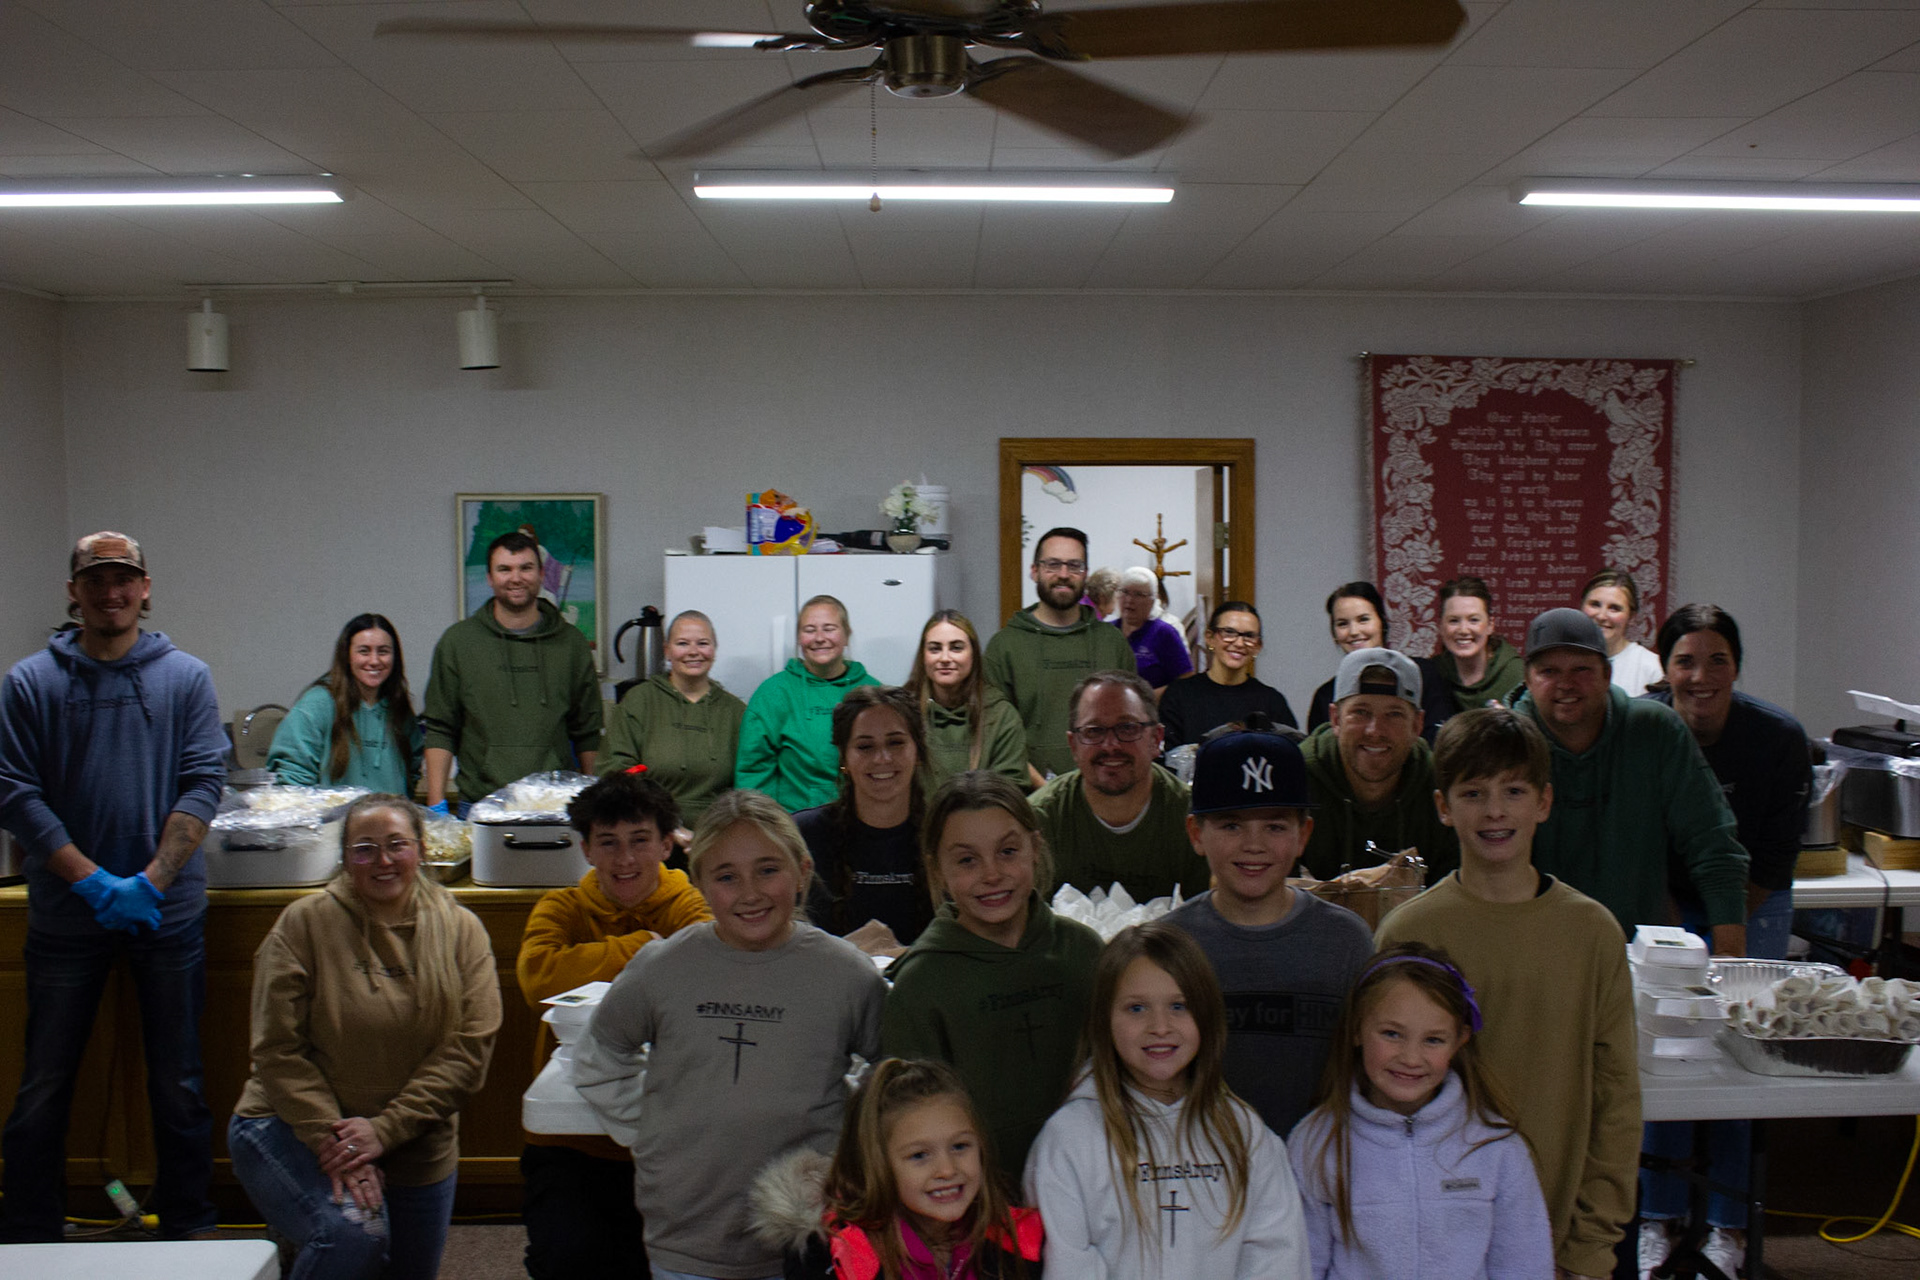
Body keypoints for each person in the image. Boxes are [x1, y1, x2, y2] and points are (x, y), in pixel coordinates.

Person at [0, 531, 228, 1243]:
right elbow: (15, 792)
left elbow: (204, 781)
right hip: (67, 920)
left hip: (168, 915)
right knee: (45, 1082)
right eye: (95, 579)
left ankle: (187, 1227)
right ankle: (29, 1230)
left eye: (123, 578)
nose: (111, 592)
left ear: (146, 587)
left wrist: (151, 882)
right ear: (74, 591)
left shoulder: (186, 678)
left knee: (179, 1083)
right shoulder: (29, 683)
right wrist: (95, 881)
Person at [570, 789, 887, 1280]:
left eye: (768, 870)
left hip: (811, 1238)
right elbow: (599, 1057)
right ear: (698, 882)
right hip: (687, 1236)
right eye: (726, 876)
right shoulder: (662, 968)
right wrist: (656, 1131)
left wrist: (848, 1144)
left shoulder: (848, 975)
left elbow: (891, 1080)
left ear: (802, 872)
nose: (749, 893)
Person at [1376, 707, 1638, 1280]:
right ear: (1444, 807)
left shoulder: (1593, 933)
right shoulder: (1409, 933)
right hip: (1434, 1233)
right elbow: (1382, 1096)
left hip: (1557, 1228)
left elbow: (1616, 1101)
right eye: (1473, 793)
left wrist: (1591, 1247)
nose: (1495, 811)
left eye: (1513, 791)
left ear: (1544, 802)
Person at [228, 793, 503, 1280]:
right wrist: (340, 1146)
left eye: (397, 844)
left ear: (421, 849)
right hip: (296, 1126)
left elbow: (469, 1051)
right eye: (364, 849)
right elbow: (277, 1051)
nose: (383, 860)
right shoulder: (304, 924)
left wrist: (384, 1130)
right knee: (352, 1236)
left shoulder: (463, 930)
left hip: (416, 1141)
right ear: (344, 858)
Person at [1637, 604, 1812, 1280]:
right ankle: (1658, 1214)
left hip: (1752, 898)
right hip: (1665, 900)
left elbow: (1774, 857)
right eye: (1685, 661)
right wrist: (1678, 929)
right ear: (1665, 667)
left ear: (1737, 668)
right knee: (1667, 1052)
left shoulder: (1778, 738)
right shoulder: (1644, 727)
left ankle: (1729, 1224)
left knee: (1742, 1060)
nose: (1700, 675)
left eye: (1718, 660)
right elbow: (1641, 844)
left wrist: (1723, 927)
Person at [1023, 922, 1311, 1280]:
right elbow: (1067, 1264)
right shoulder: (1070, 1139)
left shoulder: (1244, 1134)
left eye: (1179, 1006)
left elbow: (1277, 1256)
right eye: (1136, 1008)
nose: (1160, 1026)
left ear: (1207, 1014)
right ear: (1103, 1019)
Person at [514, 772, 712, 1280]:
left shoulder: (693, 907)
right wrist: (641, 947)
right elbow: (537, 978)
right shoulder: (560, 907)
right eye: (608, 843)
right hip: (568, 1140)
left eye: (640, 840)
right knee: (566, 1260)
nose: (625, 859)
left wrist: (596, 961)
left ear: (666, 845)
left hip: (668, 1136)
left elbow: (701, 972)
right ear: (585, 849)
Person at [882, 771, 1103, 1179]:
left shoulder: (1084, 952)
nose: (992, 874)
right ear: (937, 867)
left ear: (1035, 848)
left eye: (1008, 851)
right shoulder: (921, 985)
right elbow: (910, 1128)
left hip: (1094, 1186)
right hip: (974, 1200)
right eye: (967, 860)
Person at [1289, 944, 1553, 1280]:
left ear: (1460, 1040)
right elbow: (1301, 1267)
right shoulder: (1316, 1143)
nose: (1411, 1058)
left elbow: (1524, 1266)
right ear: (1356, 1029)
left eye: (1433, 1040)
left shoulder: (1496, 1147)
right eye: (1392, 1034)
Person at [1163, 726, 1373, 1138]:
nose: (1253, 845)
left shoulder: (1347, 941)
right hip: (1203, 1162)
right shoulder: (1170, 945)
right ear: (1196, 834)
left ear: (1303, 835)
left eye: (1275, 826)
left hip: (1322, 1164)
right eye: (1231, 825)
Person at [1510, 607, 1749, 951]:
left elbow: (1713, 843)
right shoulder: (1504, 744)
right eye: (1549, 671)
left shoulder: (1655, 730)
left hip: (1641, 954)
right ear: (1528, 678)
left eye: (1581, 669)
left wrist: (1729, 955)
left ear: (1607, 674)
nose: (1566, 684)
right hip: (1532, 952)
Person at [750, 1058, 1045, 1280]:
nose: (947, 1169)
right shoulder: (833, 1257)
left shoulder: (1013, 1239)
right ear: (875, 1164)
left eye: (960, 1146)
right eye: (919, 1155)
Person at [422, 530, 602, 811]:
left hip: (556, 805)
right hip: (480, 805)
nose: (516, 578)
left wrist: (597, 803)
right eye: (504, 569)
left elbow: (587, 731)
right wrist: (436, 805)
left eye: (525, 568)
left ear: (541, 574)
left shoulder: (571, 644)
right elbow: (440, 729)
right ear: (489, 578)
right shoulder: (458, 642)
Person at [1030, 670, 1204, 903]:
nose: (1111, 745)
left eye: (1127, 728)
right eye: (1094, 731)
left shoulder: (1196, 818)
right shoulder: (1038, 820)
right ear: (1073, 745)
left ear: (1156, 739)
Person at [984, 527, 1136, 784]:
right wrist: (1047, 792)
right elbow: (996, 734)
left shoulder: (1112, 643)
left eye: (1074, 566)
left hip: (1106, 790)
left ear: (1085, 574)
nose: (1064, 575)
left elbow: (1130, 725)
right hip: (1030, 796)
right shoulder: (1004, 647)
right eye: (1053, 564)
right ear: (1035, 571)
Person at [1300, 648, 1458, 884]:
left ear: (1417, 725)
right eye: (1360, 712)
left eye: (1394, 714)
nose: (1374, 731)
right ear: (1335, 719)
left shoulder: (1441, 783)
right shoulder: (1296, 779)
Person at [796, 686, 935, 949]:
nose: (882, 758)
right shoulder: (803, 835)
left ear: (917, 750)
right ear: (844, 758)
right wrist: (845, 953)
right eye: (865, 747)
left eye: (895, 743)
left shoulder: (946, 832)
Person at [599, 609, 745, 828]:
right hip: (649, 829)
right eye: (683, 643)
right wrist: (668, 828)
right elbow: (615, 775)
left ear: (714, 649)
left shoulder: (735, 711)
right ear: (667, 650)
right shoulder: (638, 701)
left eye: (703, 643)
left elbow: (747, 785)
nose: (693, 652)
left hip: (717, 833)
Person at [736, 594, 881, 811]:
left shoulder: (873, 692)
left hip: (864, 817)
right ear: (798, 638)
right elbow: (753, 772)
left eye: (829, 629)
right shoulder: (773, 693)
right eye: (809, 630)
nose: (819, 638)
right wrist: (767, 824)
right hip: (794, 822)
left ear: (847, 635)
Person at [267, 612, 423, 794]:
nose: (374, 661)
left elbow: (413, 770)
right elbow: (292, 781)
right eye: (364, 651)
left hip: (391, 812)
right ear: (347, 655)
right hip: (334, 813)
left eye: (383, 651)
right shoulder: (317, 705)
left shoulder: (399, 709)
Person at [1305, 582, 1450, 739]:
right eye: (1342, 624)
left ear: (1382, 622)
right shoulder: (1325, 696)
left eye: (1363, 619)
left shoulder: (1423, 675)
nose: (1354, 631)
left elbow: (1439, 739)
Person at [906, 610, 1028, 789]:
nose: (945, 658)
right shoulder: (903, 712)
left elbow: (1010, 789)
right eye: (935, 649)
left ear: (973, 654)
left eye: (956, 648)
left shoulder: (1001, 716)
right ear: (923, 656)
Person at [1159, 601, 1298, 752]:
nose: (1239, 643)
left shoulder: (1272, 701)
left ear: (1258, 646)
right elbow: (1169, 757)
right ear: (1210, 637)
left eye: (1249, 636)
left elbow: (1290, 755)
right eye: (1229, 633)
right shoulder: (1179, 695)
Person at [1427, 575, 1525, 727]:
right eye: (1454, 621)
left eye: (1473, 620)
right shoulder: (1432, 674)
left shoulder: (1517, 676)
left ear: (1490, 625)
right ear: (1441, 626)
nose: (1463, 630)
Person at [1579, 568, 1663, 696]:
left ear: (1632, 617)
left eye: (1614, 608)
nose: (1601, 616)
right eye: (1595, 604)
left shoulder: (1652, 668)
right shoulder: (1563, 662)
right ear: (1581, 607)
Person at [1112, 566, 1192, 692]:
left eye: (1138, 594)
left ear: (1152, 601)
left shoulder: (1164, 633)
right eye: (1125, 592)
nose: (1129, 600)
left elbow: (1185, 681)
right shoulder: (1107, 631)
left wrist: (1148, 698)